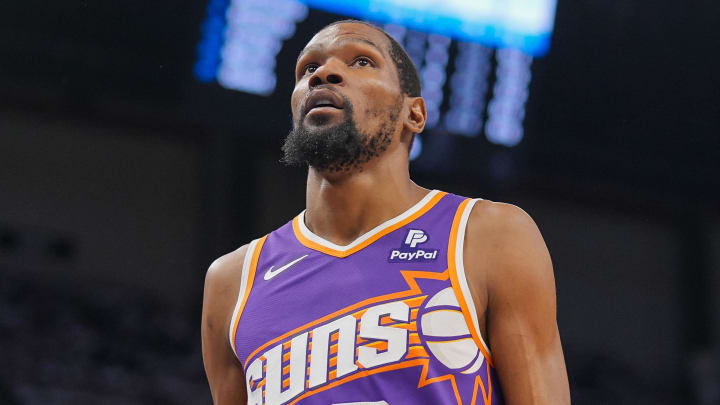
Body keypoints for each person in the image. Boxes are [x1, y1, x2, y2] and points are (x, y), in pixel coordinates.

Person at [202, 19, 570, 405]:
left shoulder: (490, 236)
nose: (323, 73)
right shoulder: (231, 282)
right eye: (308, 68)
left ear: (413, 115)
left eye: (361, 61)